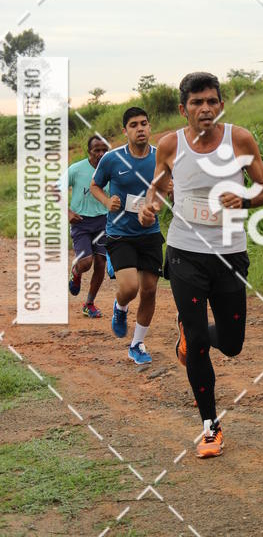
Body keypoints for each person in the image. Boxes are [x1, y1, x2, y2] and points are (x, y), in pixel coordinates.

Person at [139, 71, 263, 458]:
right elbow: (157, 189)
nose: (205, 108)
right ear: (183, 109)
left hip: (229, 252)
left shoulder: (240, 139)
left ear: (221, 105)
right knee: (198, 344)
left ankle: (189, 332)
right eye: (197, 102)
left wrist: (244, 200)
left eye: (212, 101)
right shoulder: (170, 145)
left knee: (231, 344)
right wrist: (149, 208)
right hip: (184, 252)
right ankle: (210, 426)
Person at [90, 107, 163, 366]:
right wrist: (106, 201)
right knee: (130, 288)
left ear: (149, 127)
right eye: (134, 125)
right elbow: (95, 185)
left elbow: (166, 190)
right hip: (120, 234)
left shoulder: (160, 157)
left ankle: (137, 344)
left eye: (144, 123)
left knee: (150, 290)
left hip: (150, 233)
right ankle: (120, 308)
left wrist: (155, 207)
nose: (140, 128)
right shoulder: (112, 159)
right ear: (125, 131)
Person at [66, 135, 109, 317]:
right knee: (85, 263)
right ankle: (76, 270)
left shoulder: (111, 169)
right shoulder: (76, 169)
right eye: (96, 150)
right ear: (89, 152)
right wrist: (68, 213)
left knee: (100, 263)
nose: (101, 154)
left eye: (104, 150)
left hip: (103, 222)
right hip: (81, 222)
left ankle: (89, 304)